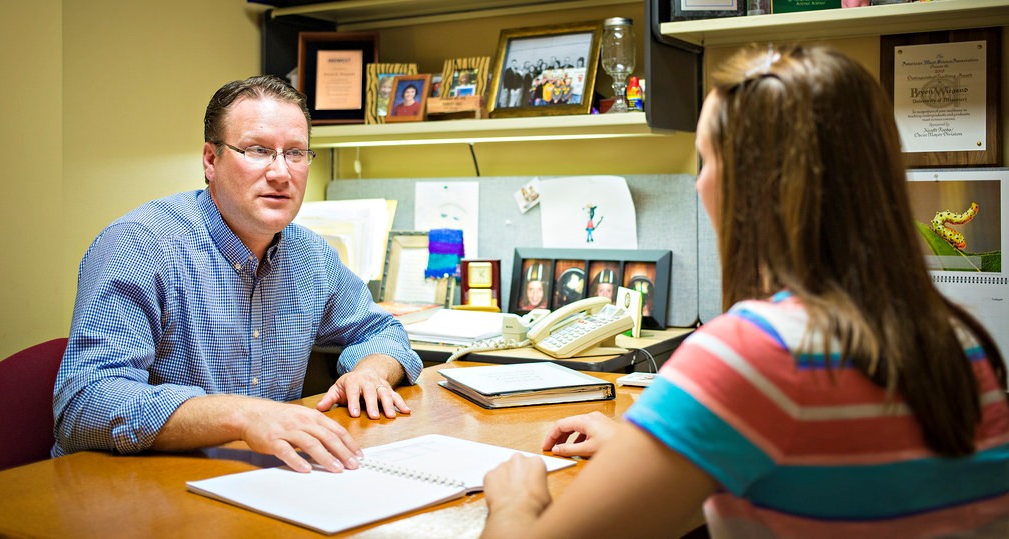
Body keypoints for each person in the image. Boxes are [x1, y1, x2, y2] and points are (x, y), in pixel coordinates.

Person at [482, 45, 1009, 537]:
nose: (697, 184)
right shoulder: (959, 341)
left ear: (750, 185)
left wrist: (515, 501)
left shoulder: (754, 350)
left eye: (706, 160)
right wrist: (654, 446)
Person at [53, 75, 423, 474]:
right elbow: (85, 402)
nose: (281, 173)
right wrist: (244, 417)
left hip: (262, 480)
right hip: (134, 489)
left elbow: (380, 332)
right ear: (211, 160)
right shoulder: (140, 247)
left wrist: (371, 372)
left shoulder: (310, 254)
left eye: (296, 153)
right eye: (258, 150)